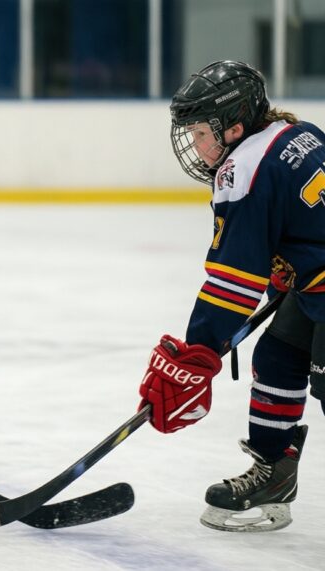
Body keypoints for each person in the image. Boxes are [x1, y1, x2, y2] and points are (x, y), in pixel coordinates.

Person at [138, 60, 325, 532]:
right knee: (279, 355)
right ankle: (274, 473)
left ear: (235, 127)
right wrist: (289, 275)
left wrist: (197, 353)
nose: (195, 144)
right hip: (317, 284)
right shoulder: (297, 133)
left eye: (201, 132)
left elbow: (233, 281)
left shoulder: (242, 169)